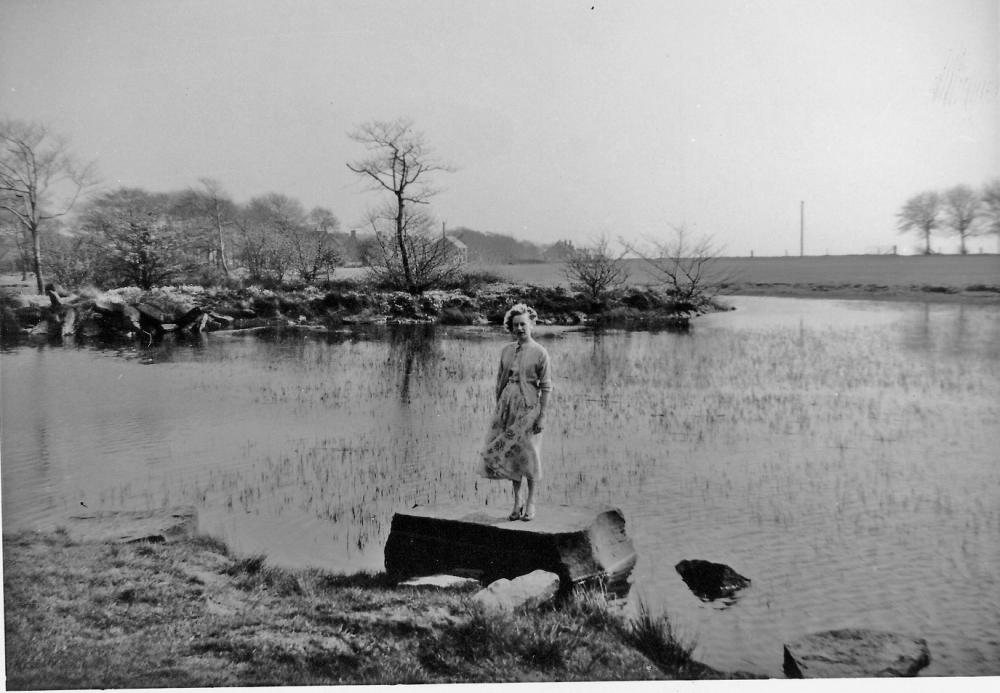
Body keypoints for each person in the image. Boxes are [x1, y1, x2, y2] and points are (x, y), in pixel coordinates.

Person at [479, 303, 553, 521]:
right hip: (507, 407)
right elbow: (499, 381)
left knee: (529, 454)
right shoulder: (507, 351)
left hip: (529, 409)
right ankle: (517, 501)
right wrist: (498, 408)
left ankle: (531, 503)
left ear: (531, 324)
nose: (520, 329)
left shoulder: (540, 352)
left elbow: (546, 387)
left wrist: (541, 416)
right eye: (515, 325)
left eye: (523, 324)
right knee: (511, 455)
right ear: (510, 328)